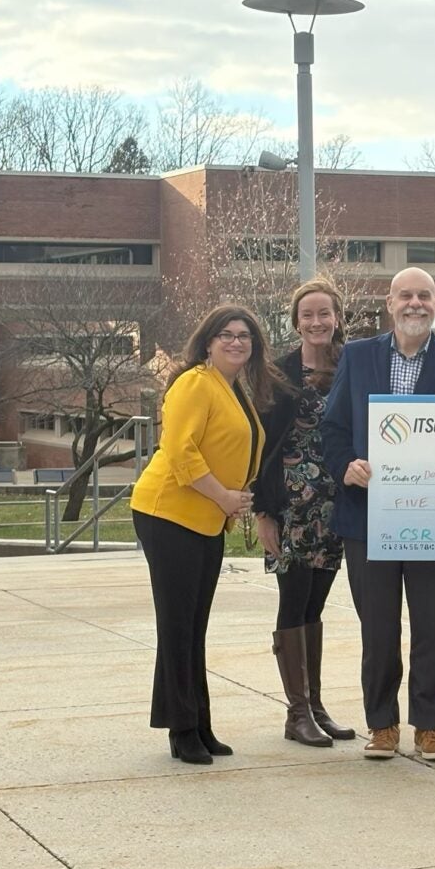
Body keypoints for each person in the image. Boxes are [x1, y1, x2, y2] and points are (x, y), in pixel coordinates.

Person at [321, 267, 435, 761]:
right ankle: (383, 725)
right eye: (405, 296)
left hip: (433, 520)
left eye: (424, 296)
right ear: (389, 304)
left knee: (434, 626)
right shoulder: (358, 356)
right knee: (379, 629)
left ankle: (429, 727)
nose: (415, 304)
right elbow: (332, 428)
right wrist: (346, 466)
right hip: (368, 518)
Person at [132, 305, 280, 765]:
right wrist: (223, 496)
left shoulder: (234, 389)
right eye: (226, 335)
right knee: (177, 626)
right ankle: (182, 731)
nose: (236, 342)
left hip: (207, 519)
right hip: (169, 514)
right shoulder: (195, 382)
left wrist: (234, 500)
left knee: (193, 627)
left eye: (245, 337)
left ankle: (197, 722)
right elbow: (180, 451)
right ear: (208, 341)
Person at [252, 279, 353, 748]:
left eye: (324, 314)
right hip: (290, 505)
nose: (316, 322)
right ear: (296, 322)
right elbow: (263, 447)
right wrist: (262, 511)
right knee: (293, 600)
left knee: (316, 603)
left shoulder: (351, 364)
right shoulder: (277, 373)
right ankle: (296, 713)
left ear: (337, 318)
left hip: (335, 503)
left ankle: (315, 704)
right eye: (307, 315)